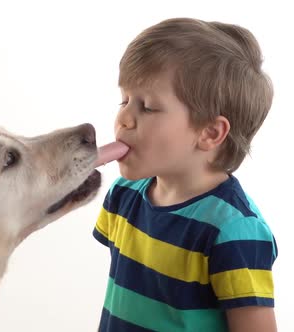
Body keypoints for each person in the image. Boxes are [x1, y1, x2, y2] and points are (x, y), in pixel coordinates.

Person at [93, 18, 278, 331]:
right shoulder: (124, 194)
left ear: (209, 132)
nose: (124, 118)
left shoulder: (234, 231)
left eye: (147, 107)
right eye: (124, 100)